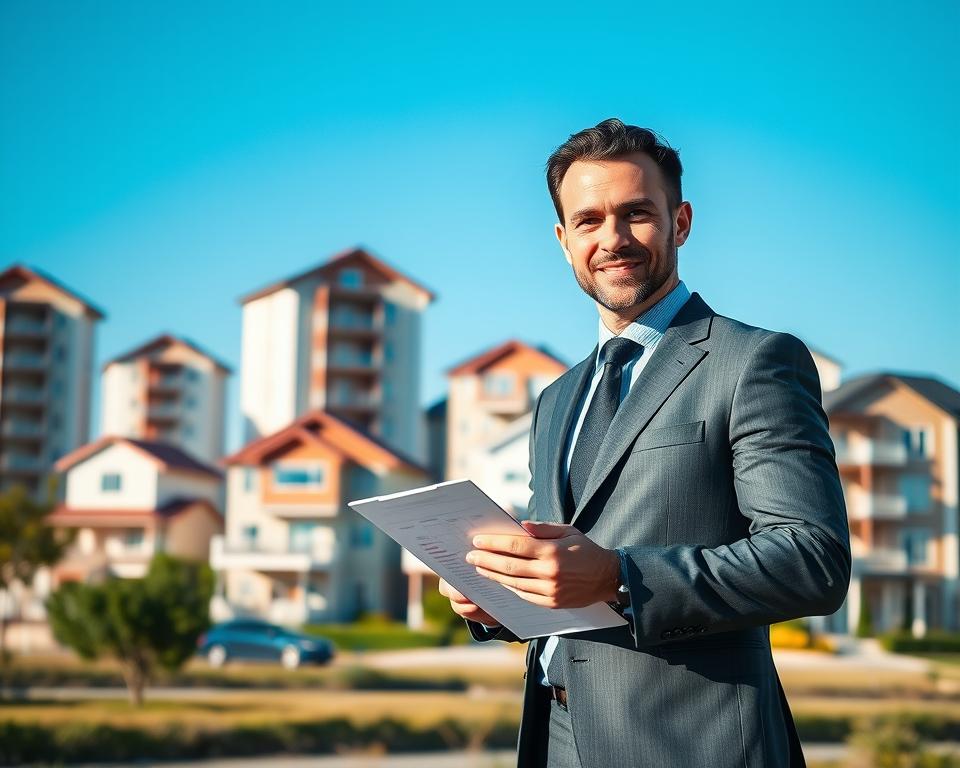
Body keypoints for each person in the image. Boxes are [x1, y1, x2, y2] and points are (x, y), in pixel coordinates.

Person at [439, 118, 850, 767]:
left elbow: (812, 562)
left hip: (691, 744)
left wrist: (620, 577)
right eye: (589, 220)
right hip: (552, 736)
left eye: (636, 214)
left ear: (680, 221)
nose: (613, 239)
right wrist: (495, 595)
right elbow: (562, 570)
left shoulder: (754, 362)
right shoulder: (556, 400)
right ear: (562, 239)